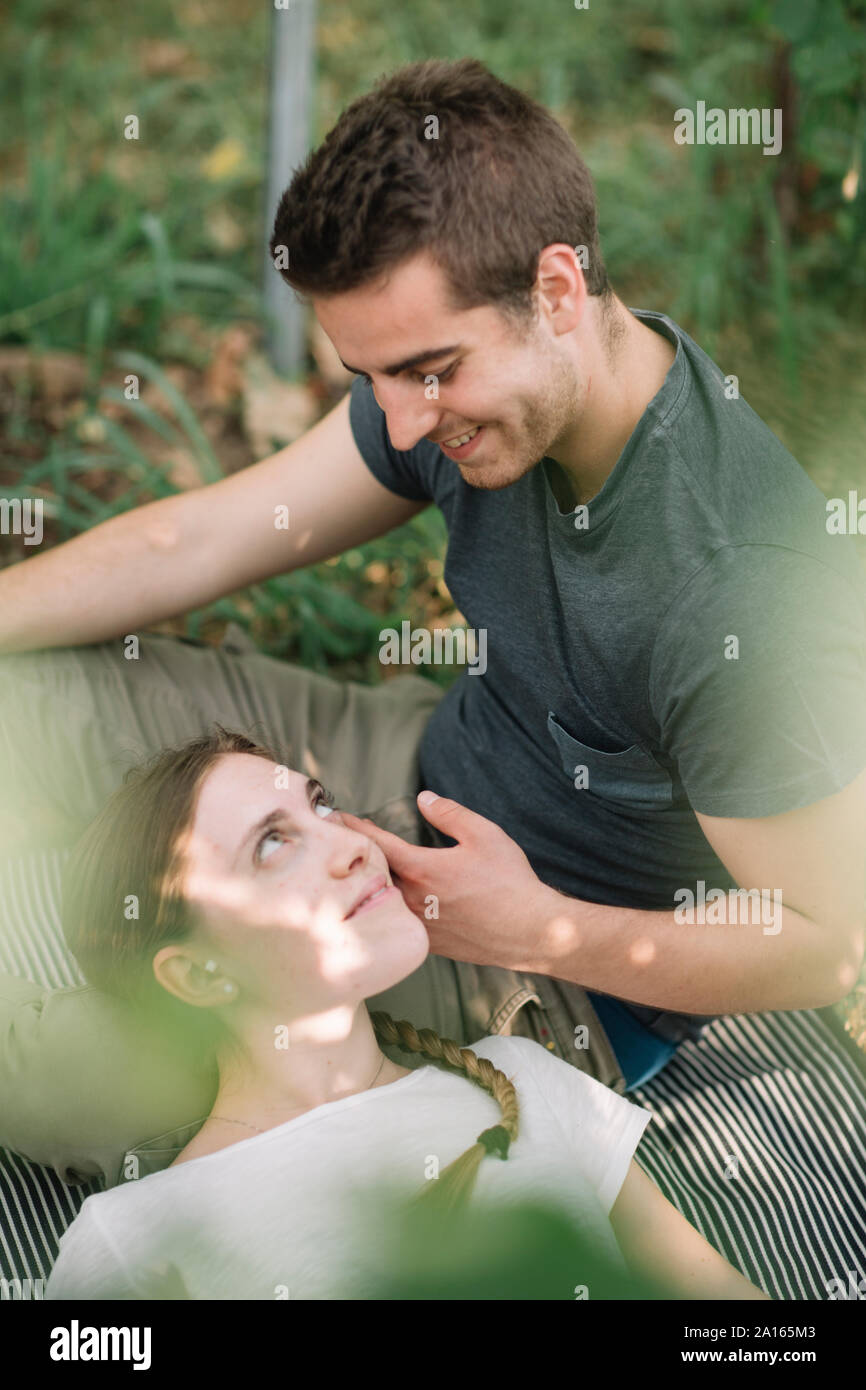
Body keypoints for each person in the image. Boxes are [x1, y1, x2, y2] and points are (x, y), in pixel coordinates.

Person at [3, 56, 865, 1296]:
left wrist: (539, 926)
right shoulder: (469, 382)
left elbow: (825, 945)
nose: (402, 429)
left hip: (524, 959)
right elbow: (189, 541)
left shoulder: (740, 596)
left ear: (556, 287)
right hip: (395, 762)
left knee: (67, 1066)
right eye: (370, 379)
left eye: (427, 374)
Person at [45, 725, 766, 1301]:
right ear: (199, 973)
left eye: (321, 806)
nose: (353, 845)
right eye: (272, 843)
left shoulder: (521, 1077)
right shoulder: (133, 1240)